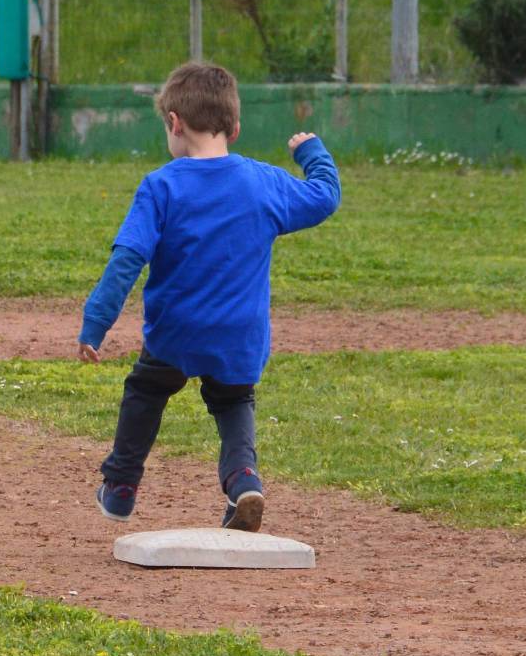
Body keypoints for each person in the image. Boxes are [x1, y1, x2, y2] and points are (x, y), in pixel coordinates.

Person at [77, 60, 341, 532]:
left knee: (146, 391)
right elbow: (324, 197)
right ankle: (243, 481)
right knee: (233, 401)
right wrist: (313, 153)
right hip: (239, 333)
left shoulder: (161, 186)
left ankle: (120, 486)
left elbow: (126, 261)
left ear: (174, 123)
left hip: (175, 333)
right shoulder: (263, 182)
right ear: (235, 128)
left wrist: (96, 323)